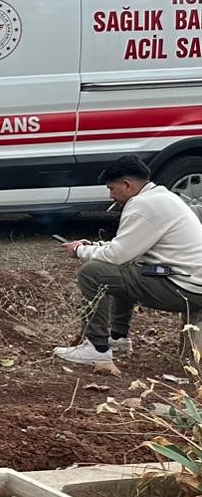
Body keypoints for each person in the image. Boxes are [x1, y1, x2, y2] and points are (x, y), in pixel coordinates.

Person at [54, 155, 202, 365]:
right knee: (126, 267)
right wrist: (93, 246)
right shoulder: (161, 197)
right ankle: (118, 338)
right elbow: (131, 247)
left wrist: (79, 252)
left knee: (92, 272)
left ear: (127, 185)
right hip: (191, 282)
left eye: (112, 188)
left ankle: (97, 348)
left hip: (187, 289)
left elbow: (117, 255)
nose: (110, 195)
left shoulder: (142, 205)